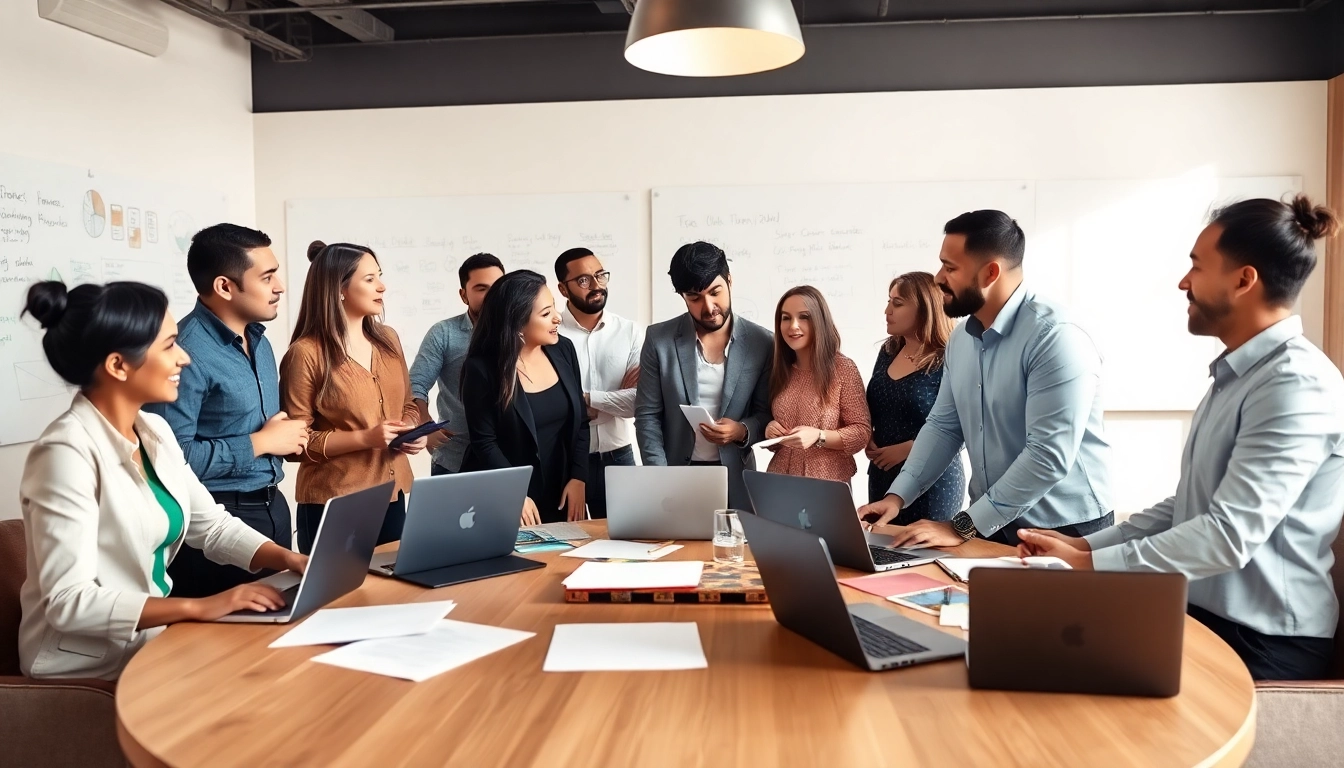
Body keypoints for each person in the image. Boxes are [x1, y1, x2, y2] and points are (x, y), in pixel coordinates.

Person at [1018, 196, 1344, 681]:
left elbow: (1227, 535)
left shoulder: (1295, 383)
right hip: (1209, 616)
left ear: (1243, 280)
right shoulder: (1239, 374)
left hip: (1266, 642)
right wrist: (1086, 547)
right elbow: (1189, 505)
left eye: (1196, 266)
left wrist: (1092, 567)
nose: (1183, 282)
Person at [18, 281, 306, 680]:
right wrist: (199, 606)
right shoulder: (64, 454)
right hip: (84, 669)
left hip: (150, 645)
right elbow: (68, 602)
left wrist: (289, 559)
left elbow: (213, 527)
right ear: (119, 365)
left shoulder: (154, 430)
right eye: (170, 345)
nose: (184, 358)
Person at [858, 210, 1113, 546]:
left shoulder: (1055, 338)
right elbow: (943, 427)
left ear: (990, 272)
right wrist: (896, 498)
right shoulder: (961, 340)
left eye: (950, 268)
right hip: (989, 524)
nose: (938, 278)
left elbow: (1047, 456)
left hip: (1066, 529)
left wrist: (960, 526)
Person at [143, 223, 307, 598]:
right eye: (267, 277)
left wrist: (284, 439)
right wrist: (260, 442)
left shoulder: (259, 340)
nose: (279, 286)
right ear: (224, 286)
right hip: (214, 519)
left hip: (273, 505)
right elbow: (171, 460)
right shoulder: (185, 353)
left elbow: (265, 433)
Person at [280, 241, 427, 555]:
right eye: (370, 279)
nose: (382, 286)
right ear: (339, 289)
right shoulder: (305, 354)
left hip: (393, 494)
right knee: (339, 602)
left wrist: (412, 431)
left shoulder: (388, 339)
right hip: (335, 503)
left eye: (380, 276)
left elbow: (408, 403)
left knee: (394, 596)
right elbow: (295, 444)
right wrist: (365, 438)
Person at [635, 241, 772, 509]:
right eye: (694, 298)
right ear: (682, 296)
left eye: (715, 292)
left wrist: (741, 431)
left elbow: (766, 413)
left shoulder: (763, 342)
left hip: (737, 479)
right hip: (676, 477)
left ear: (730, 281)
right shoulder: (658, 339)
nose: (708, 307)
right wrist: (660, 479)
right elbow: (647, 416)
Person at [460, 270, 589, 525]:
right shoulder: (482, 369)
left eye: (554, 308)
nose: (557, 318)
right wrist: (514, 491)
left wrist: (579, 477)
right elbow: (484, 442)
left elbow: (581, 422)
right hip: (506, 496)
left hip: (560, 492)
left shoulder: (563, 350)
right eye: (545, 314)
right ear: (517, 322)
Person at [864, 272, 966, 522]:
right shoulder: (888, 349)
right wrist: (867, 435)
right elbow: (877, 406)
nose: (887, 310)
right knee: (883, 552)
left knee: (925, 556)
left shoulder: (950, 357)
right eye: (889, 301)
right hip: (882, 476)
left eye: (897, 304)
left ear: (926, 308)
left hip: (933, 483)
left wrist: (909, 450)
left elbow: (963, 429)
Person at [554, 247, 644, 518]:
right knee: (567, 544)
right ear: (563, 289)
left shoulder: (629, 332)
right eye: (583, 280)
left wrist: (587, 400)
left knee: (630, 542)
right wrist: (614, 399)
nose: (596, 286)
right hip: (565, 462)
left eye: (600, 275)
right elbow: (548, 403)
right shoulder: (551, 333)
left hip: (619, 458)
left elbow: (639, 401)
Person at [762, 285, 871, 483]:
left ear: (819, 321)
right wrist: (771, 430)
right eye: (786, 318)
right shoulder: (780, 369)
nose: (793, 325)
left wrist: (819, 436)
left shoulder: (843, 369)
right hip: (780, 482)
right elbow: (778, 431)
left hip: (827, 486)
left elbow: (862, 433)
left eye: (804, 317)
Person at [408, 253, 505, 476]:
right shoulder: (444, 333)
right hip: (455, 459)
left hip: (509, 455)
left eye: (498, 287)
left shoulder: (524, 330)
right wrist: (426, 427)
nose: (492, 296)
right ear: (464, 295)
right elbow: (415, 385)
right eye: (482, 289)